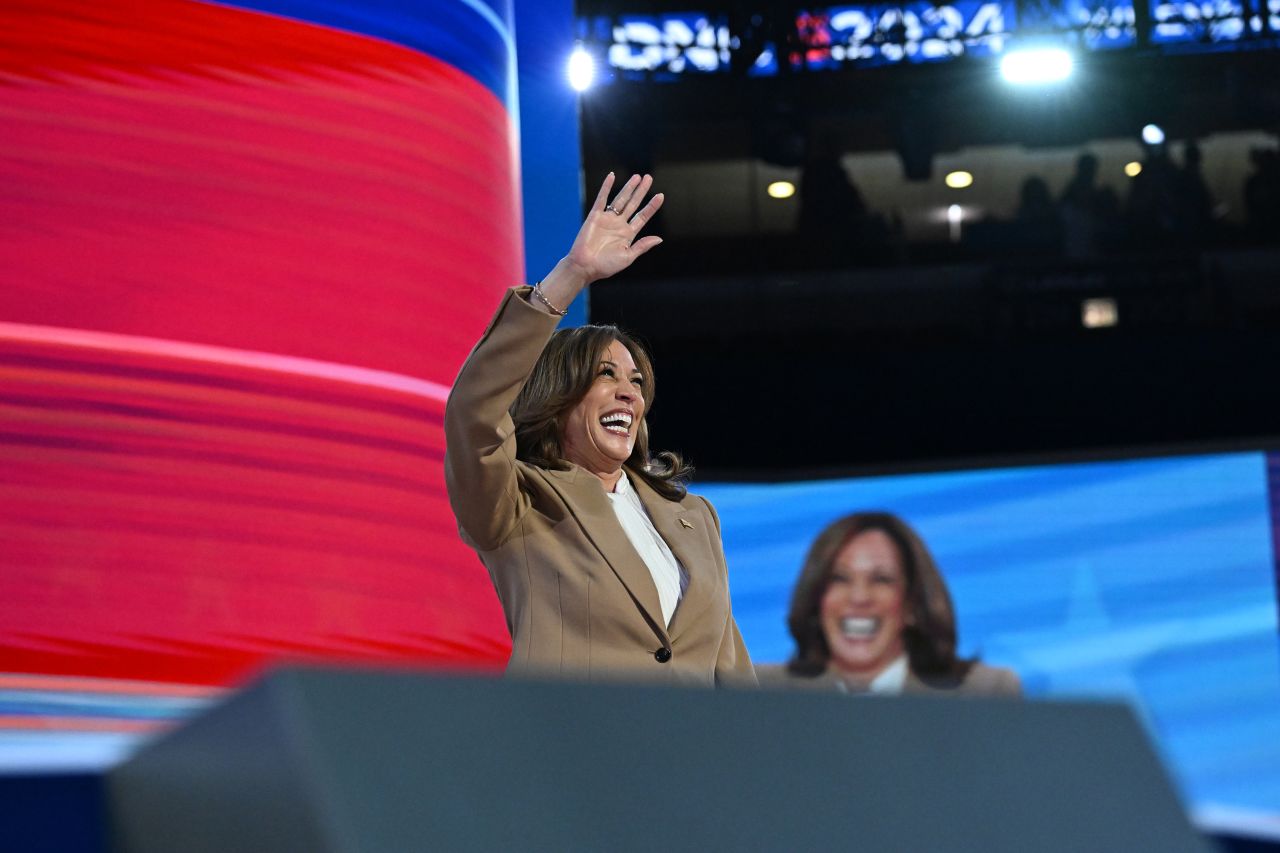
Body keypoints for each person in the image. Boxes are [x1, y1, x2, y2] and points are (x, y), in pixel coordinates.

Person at [444, 173, 756, 687]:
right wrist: (571, 275)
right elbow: (473, 412)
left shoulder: (694, 518)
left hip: (688, 761)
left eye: (636, 381)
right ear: (558, 396)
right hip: (572, 756)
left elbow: (730, 669)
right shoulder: (518, 502)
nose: (629, 394)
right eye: (605, 376)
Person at [759, 511, 1020, 696]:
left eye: (881, 580)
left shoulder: (985, 693)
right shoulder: (758, 692)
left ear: (911, 605)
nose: (859, 597)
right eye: (839, 579)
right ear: (817, 600)